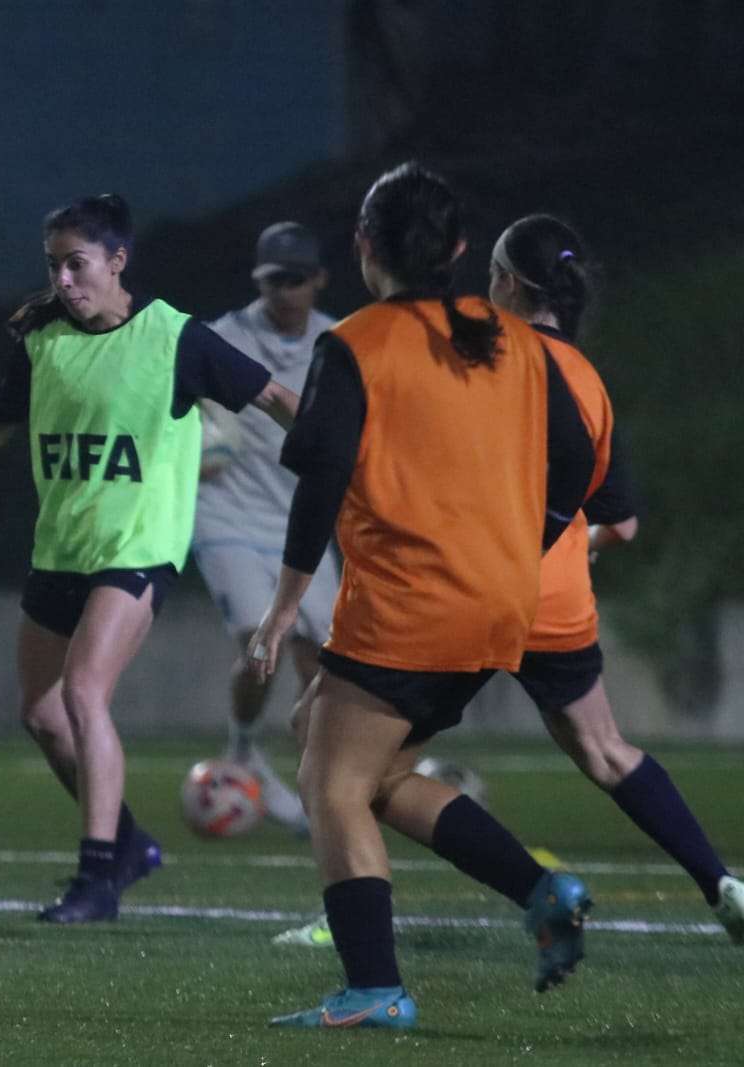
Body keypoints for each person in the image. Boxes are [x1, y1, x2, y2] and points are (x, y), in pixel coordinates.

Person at [273, 215, 744, 952]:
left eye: (494, 274)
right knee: (606, 750)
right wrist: (564, 543)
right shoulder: (588, 379)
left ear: (508, 285)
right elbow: (620, 523)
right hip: (552, 603)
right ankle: (720, 882)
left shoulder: (487, 352)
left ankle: (371, 922)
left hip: (461, 593)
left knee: (338, 762)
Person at [0, 194, 297, 924]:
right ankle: (128, 844)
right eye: (53, 267)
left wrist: (348, 448)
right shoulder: (42, 337)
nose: (64, 280)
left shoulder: (176, 339)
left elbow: (277, 398)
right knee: (40, 715)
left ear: (117, 260)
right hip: (61, 548)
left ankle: (97, 879)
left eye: (77, 265)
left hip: (137, 552)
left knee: (84, 691)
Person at [246, 163, 597, 1029]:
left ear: (365, 248)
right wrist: (525, 537)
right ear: (460, 250)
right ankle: (543, 889)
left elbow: (322, 480)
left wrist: (285, 605)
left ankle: (374, 987)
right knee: (365, 763)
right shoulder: (516, 337)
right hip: (500, 603)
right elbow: (578, 458)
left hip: (410, 604)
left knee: (330, 786)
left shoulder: (356, 344)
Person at [192, 222, 338, 834]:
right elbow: (173, 408)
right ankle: (244, 746)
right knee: (260, 645)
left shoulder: (338, 341)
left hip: (300, 524)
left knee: (326, 669)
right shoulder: (224, 338)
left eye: (296, 279)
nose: (285, 291)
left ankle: (323, 787)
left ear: (319, 280)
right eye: (274, 279)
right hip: (225, 516)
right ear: (258, 281)